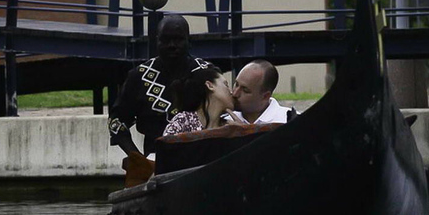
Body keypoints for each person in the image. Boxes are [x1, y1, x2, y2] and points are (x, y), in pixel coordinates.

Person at [108, 14, 210, 157]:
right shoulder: (138, 77)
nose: (172, 45)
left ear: (189, 41)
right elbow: (117, 122)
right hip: (155, 162)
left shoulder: (207, 74)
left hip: (200, 159)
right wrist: (138, 159)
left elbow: (225, 114)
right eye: (165, 40)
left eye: (178, 39)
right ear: (157, 42)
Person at [163, 66, 237, 136]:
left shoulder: (231, 126)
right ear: (210, 85)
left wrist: (242, 133)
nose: (231, 92)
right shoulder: (184, 121)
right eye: (226, 85)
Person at [230, 59, 294, 124]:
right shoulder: (225, 121)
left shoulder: (289, 122)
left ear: (265, 96)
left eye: (245, 90)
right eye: (236, 84)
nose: (235, 93)